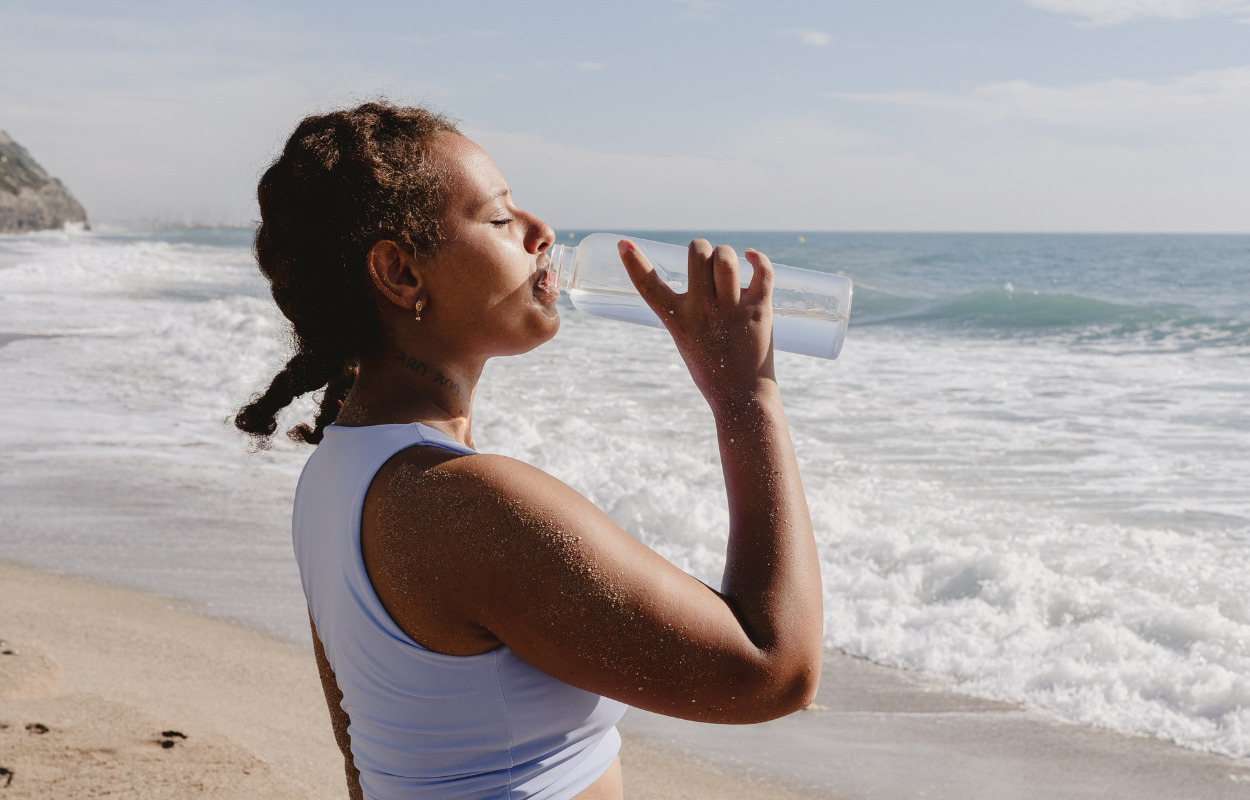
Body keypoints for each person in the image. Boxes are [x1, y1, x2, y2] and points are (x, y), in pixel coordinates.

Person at [236, 101, 823, 800]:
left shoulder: (333, 477)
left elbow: (363, 763)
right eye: (498, 219)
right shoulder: (464, 503)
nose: (541, 233)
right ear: (400, 273)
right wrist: (744, 395)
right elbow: (774, 671)